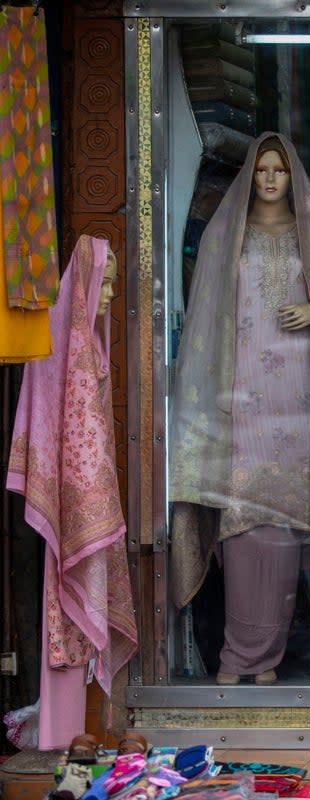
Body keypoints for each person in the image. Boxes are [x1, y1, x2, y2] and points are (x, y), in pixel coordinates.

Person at [169, 133, 310, 685]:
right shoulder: (224, 237)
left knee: (285, 530)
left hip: (298, 397)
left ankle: (267, 659)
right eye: (263, 171)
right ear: (251, 177)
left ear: (293, 177)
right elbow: (206, 315)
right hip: (242, 394)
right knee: (242, 524)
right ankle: (239, 655)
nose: (272, 179)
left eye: (280, 170)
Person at [6, 235, 136, 747]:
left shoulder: (90, 341)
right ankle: (60, 735)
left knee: (76, 608)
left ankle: (71, 731)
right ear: (80, 284)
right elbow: (57, 425)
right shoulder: (61, 341)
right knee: (65, 601)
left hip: (89, 499)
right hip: (73, 500)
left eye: (112, 285)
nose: (108, 296)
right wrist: (81, 499)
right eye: (102, 285)